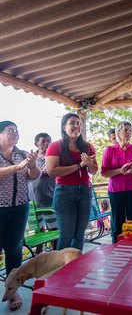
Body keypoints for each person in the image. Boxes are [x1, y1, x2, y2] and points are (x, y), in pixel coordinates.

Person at [0, 120, 40, 311]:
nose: (15, 133)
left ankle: (12, 290)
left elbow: (34, 176)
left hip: (20, 207)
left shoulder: (22, 154)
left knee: (14, 250)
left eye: (17, 131)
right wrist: (18, 166)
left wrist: (31, 165)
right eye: (10, 130)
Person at [46, 113, 98, 251]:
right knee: (66, 235)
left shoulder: (87, 146)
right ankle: (62, 270)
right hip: (64, 193)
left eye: (78, 123)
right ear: (64, 127)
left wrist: (89, 164)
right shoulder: (55, 146)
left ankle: (76, 267)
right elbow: (52, 171)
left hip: (85, 191)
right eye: (72, 123)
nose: (76, 126)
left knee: (80, 235)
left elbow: (93, 171)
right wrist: (79, 165)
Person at [101, 121, 132, 243]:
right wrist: (120, 170)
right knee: (117, 221)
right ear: (118, 132)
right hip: (116, 190)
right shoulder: (110, 150)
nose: (129, 132)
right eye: (126, 129)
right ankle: (115, 247)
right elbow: (104, 173)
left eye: (130, 130)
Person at [31, 133, 58, 234]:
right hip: (33, 201)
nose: (46, 143)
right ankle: (39, 250)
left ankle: (55, 250)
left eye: (49, 141)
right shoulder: (31, 158)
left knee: (53, 230)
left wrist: (34, 170)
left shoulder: (53, 157)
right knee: (38, 230)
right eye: (43, 141)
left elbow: (47, 172)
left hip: (49, 199)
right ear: (36, 144)